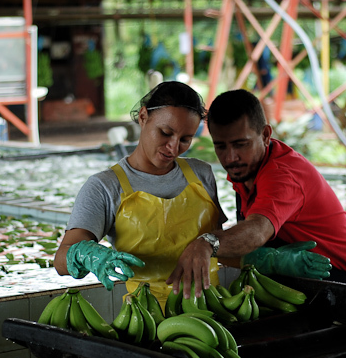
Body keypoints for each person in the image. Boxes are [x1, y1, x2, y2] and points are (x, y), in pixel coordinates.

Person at [170, 89, 346, 298]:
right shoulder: (245, 171)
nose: (230, 157)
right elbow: (240, 243)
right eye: (221, 146)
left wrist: (208, 242)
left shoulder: (282, 175)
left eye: (241, 144)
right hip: (300, 288)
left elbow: (257, 231)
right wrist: (263, 258)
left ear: (265, 135)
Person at [54, 81, 227, 306]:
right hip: (145, 317)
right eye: (165, 133)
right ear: (143, 117)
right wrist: (86, 254)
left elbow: (219, 244)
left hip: (210, 309)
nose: (173, 148)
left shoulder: (202, 173)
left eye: (185, 139)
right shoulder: (104, 186)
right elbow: (60, 260)